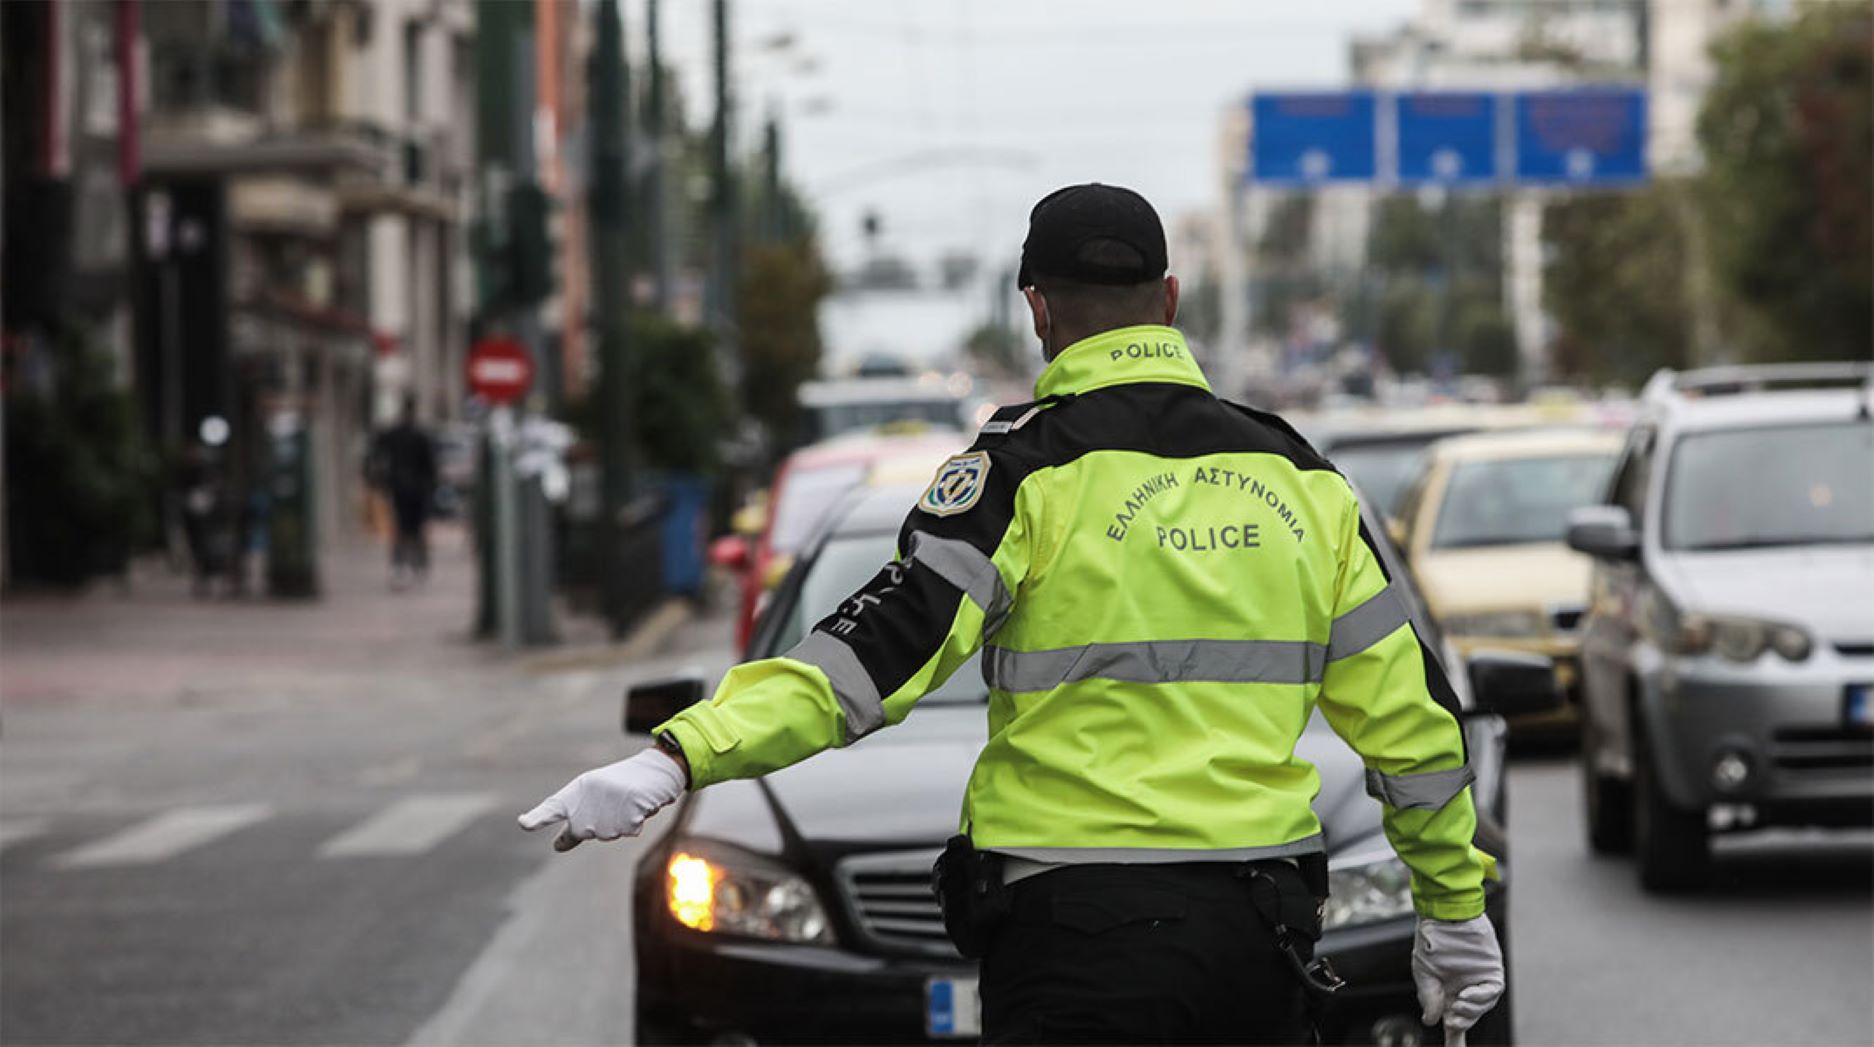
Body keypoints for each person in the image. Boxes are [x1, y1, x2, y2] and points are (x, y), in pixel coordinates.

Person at [519, 184, 1505, 1045]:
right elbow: (1411, 723)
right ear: (1168, 300)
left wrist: (677, 756)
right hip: (1255, 942)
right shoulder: (1299, 476)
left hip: (1072, 933)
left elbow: (871, 657)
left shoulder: (1017, 473)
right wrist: (1452, 907)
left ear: (1037, 311)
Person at [369, 395, 438, 589]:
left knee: (401, 528)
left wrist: (378, 480)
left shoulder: (396, 434)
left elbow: (376, 454)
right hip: (414, 489)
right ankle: (415, 564)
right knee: (414, 529)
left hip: (400, 488)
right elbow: (431, 467)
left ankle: (403, 565)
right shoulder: (418, 435)